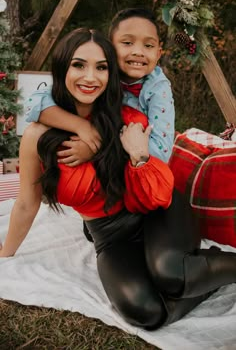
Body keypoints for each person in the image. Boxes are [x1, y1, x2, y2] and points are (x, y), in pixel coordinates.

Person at [1, 28, 236, 331]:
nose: (90, 77)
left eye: (101, 67)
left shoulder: (126, 116)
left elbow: (157, 189)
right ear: (62, 68)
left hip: (155, 209)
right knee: (145, 312)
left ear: (111, 74)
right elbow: (25, 203)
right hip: (109, 235)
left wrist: (137, 156)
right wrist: (5, 253)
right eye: (78, 65)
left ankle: (218, 267)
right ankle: (200, 276)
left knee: (170, 274)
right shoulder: (37, 136)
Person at [24, 8, 175, 165]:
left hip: (135, 169)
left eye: (148, 46)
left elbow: (161, 153)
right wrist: (81, 126)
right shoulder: (99, 75)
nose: (138, 52)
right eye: (127, 43)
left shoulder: (158, 89)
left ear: (158, 53)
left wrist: (98, 146)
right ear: (108, 48)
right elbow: (33, 104)